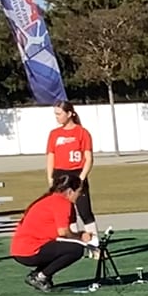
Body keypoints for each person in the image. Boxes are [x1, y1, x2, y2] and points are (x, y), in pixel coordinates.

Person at [10, 171, 90, 293]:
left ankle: (40, 274)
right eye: (79, 192)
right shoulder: (62, 203)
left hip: (20, 249)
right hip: (30, 249)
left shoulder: (49, 199)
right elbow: (63, 232)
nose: (80, 195)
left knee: (64, 247)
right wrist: (80, 237)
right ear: (70, 191)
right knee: (76, 250)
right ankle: (40, 276)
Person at [45, 100, 97, 235]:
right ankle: (73, 241)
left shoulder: (82, 132)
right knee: (67, 212)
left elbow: (89, 158)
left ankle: (94, 241)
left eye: (59, 114)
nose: (57, 117)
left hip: (76, 173)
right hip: (60, 175)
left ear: (69, 114)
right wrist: (50, 177)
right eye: (55, 114)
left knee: (84, 211)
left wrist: (81, 178)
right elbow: (51, 157)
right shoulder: (54, 134)